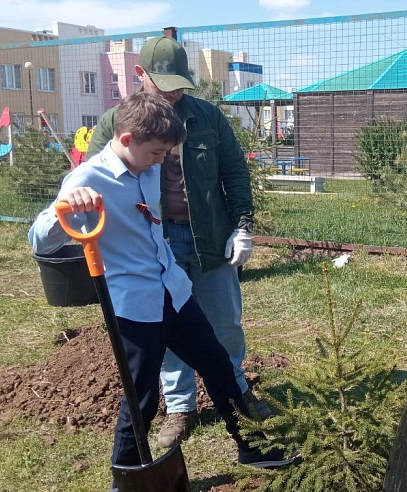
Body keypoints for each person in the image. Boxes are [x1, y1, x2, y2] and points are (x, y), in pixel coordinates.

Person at [28, 93, 294, 485]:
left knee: (219, 366)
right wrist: (63, 208)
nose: (162, 161)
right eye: (156, 152)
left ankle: (251, 447)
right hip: (134, 306)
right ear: (126, 139)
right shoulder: (86, 179)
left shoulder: (148, 166)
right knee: (142, 400)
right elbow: (39, 242)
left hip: (174, 290)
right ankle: (127, 479)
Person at [87, 35, 270, 449]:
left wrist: (242, 225)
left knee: (224, 321)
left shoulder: (206, 117)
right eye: (163, 81)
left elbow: (235, 172)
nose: (172, 91)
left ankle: (237, 393)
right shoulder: (116, 123)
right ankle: (180, 406)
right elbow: (97, 181)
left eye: (179, 83)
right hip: (155, 245)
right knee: (166, 328)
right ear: (140, 75)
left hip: (210, 237)